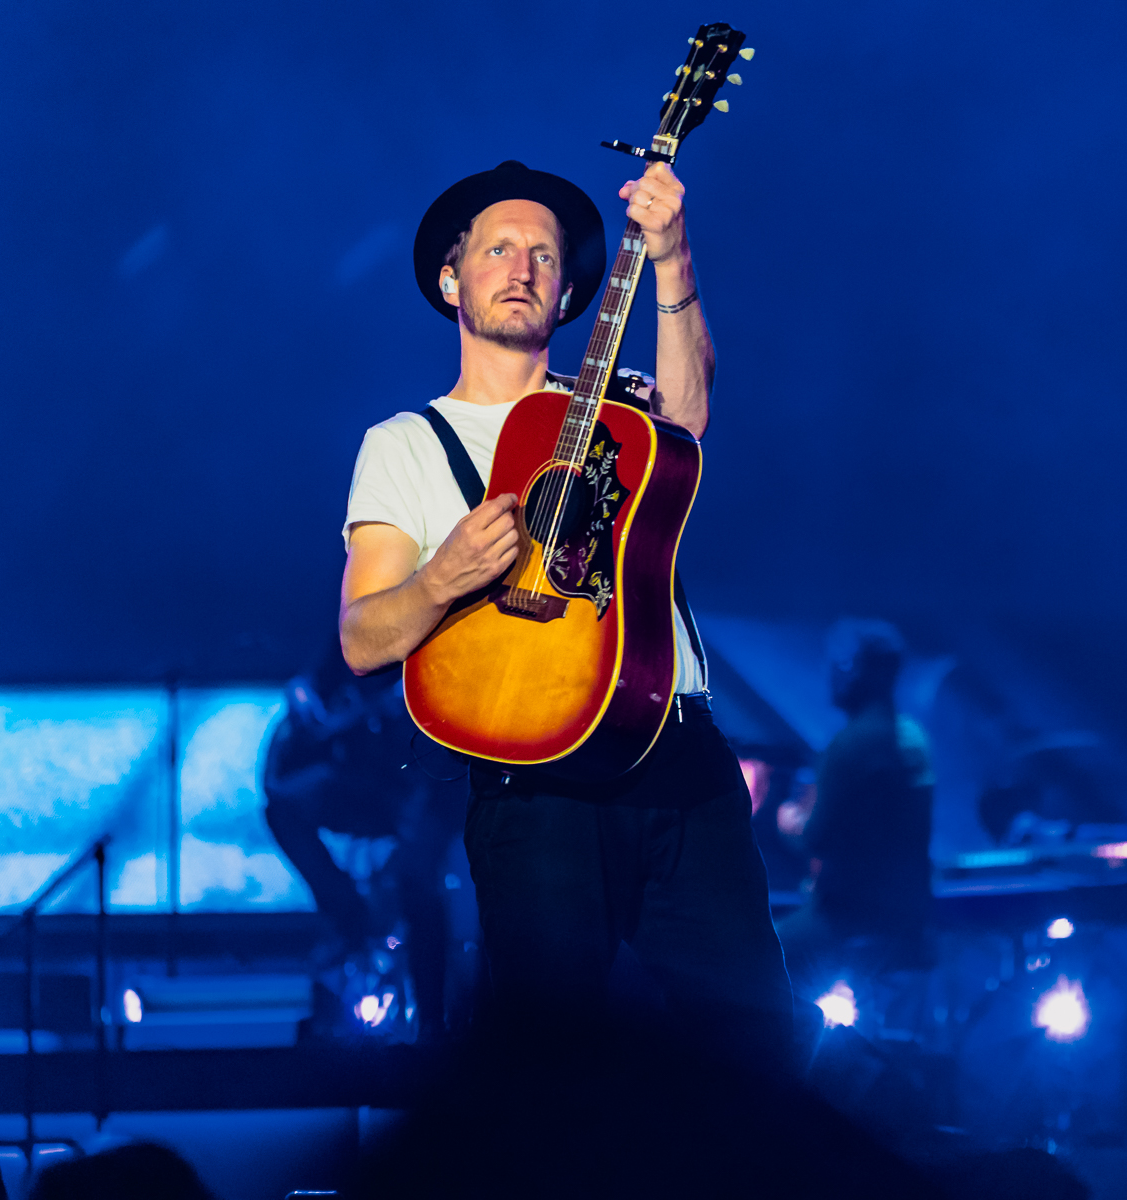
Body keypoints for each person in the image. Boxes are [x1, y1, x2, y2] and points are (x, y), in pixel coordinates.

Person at [336, 158, 791, 1064]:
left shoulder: (622, 407)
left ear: (572, 287)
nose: (523, 267)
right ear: (450, 279)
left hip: (676, 754)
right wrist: (440, 579)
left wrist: (672, 257)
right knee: (554, 1067)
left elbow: (691, 416)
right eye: (498, 248)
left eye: (545, 255)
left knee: (755, 1051)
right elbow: (359, 640)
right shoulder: (404, 445)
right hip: (529, 782)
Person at [263, 638, 462, 1033]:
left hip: (439, 781)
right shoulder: (362, 624)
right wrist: (311, 709)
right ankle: (349, 917)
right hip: (373, 783)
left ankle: (432, 1023)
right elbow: (308, 687)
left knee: (416, 882)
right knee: (284, 807)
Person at [776, 620, 935, 988]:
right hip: (909, 917)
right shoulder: (913, 738)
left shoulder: (850, 746)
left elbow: (818, 838)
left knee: (756, 954)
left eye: (841, 664)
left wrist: (791, 820)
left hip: (848, 917)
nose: (832, 673)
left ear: (859, 671)